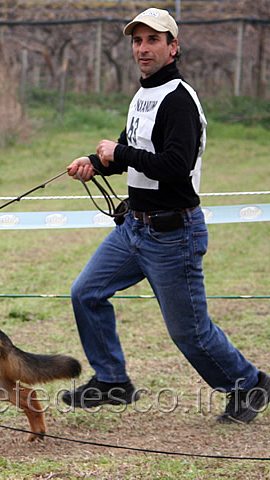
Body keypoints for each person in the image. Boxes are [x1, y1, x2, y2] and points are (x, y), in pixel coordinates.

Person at [62, 7, 269, 423]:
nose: (143, 48)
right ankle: (112, 381)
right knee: (85, 293)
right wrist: (95, 162)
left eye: (153, 40)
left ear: (173, 47)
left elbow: (174, 164)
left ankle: (249, 385)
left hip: (174, 234)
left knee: (189, 332)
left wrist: (117, 152)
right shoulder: (143, 95)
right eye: (137, 41)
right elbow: (131, 154)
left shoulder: (179, 100)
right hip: (133, 229)